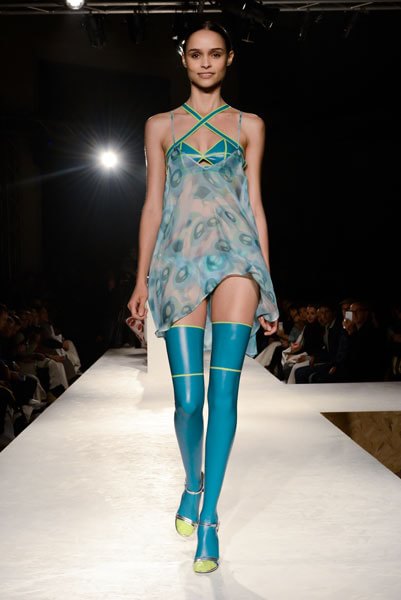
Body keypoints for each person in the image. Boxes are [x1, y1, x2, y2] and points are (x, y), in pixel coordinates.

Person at [127, 19, 279, 574]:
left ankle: (209, 519)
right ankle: (194, 483)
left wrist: (266, 283)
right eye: (196, 54)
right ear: (184, 60)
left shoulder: (250, 125)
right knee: (189, 402)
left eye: (216, 53)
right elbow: (153, 204)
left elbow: (255, 204)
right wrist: (140, 278)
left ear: (229, 59)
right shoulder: (160, 126)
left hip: (238, 260)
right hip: (178, 263)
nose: (206, 62)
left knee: (225, 394)